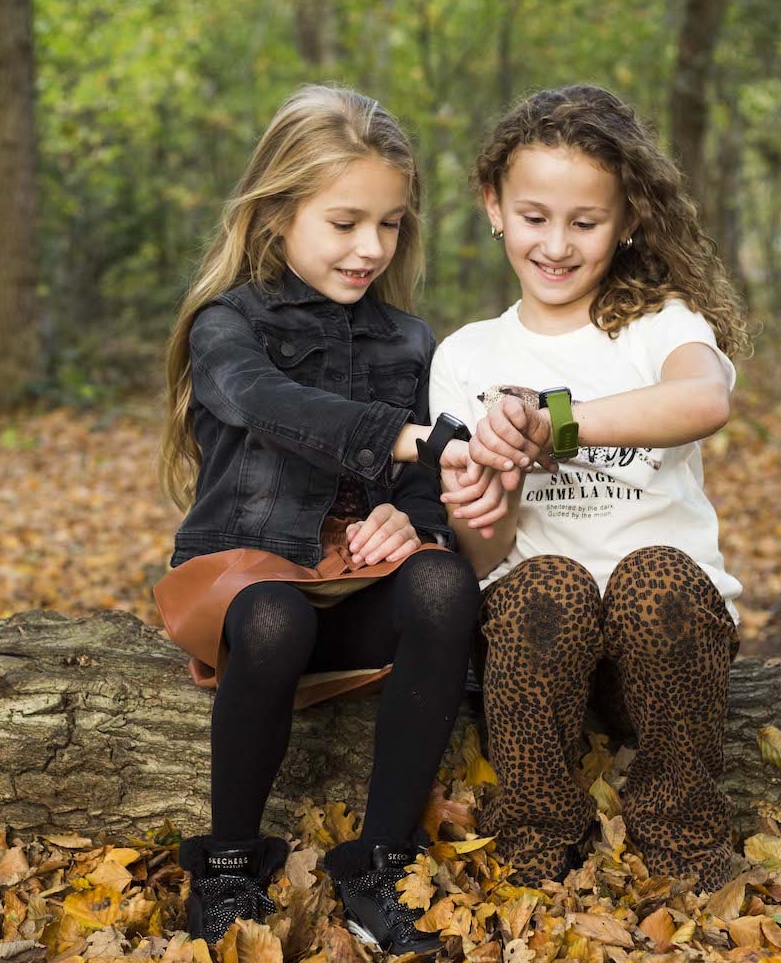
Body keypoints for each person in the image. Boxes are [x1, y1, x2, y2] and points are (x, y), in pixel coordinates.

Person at [153, 85, 481, 954]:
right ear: (276, 213)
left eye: (390, 224)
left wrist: (408, 520)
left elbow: (423, 489)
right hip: (245, 587)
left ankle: (377, 861)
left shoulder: (409, 340)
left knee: (447, 584)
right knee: (274, 615)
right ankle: (226, 868)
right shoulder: (229, 327)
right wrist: (404, 440)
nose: (371, 247)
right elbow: (267, 405)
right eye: (345, 223)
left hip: (354, 591)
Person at [427, 84, 753, 890]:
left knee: (657, 575)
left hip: (666, 645)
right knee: (547, 587)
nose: (557, 245)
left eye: (586, 222)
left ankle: (680, 830)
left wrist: (554, 423)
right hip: (537, 649)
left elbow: (704, 398)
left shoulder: (660, 322)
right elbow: (482, 554)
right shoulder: (465, 357)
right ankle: (536, 837)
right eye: (535, 217)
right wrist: (485, 499)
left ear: (630, 219)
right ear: (493, 206)